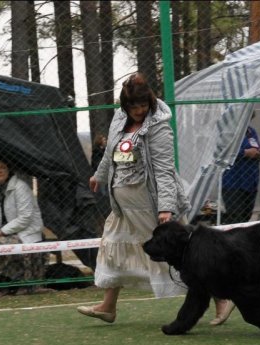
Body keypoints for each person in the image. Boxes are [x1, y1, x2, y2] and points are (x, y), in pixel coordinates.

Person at [77, 72, 190, 323]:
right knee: (112, 246)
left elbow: (164, 169)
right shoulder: (120, 119)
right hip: (122, 206)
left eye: (142, 105)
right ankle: (108, 306)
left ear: (149, 101)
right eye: (133, 106)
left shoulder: (159, 126)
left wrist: (166, 208)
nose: (138, 110)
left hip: (148, 205)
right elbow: (111, 153)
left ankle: (221, 296)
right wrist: (100, 176)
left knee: (173, 255)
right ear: (124, 105)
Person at [0, 157, 48, 285]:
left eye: (3, 168)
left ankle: (7, 280)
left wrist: (0, 233)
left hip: (24, 232)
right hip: (4, 232)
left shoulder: (20, 187)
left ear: (9, 170)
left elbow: (25, 218)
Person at [222, 113, 260, 225]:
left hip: (250, 182)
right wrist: (245, 153)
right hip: (233, 183)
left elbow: (257, 147)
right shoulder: (229, 132)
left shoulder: (251, 132)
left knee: (247, 217)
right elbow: (223, 153)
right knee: (236, 218)